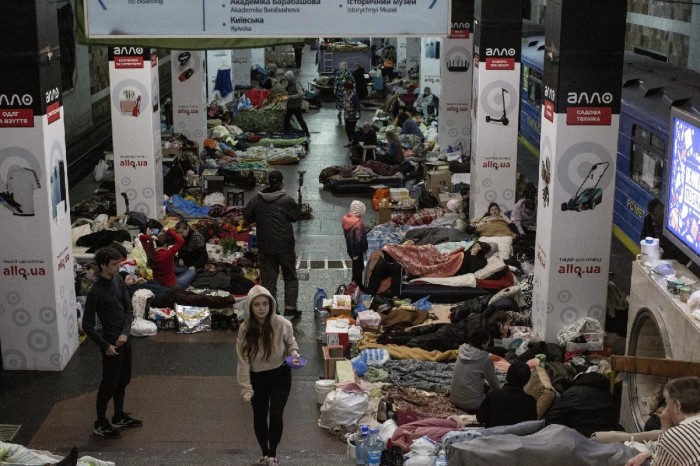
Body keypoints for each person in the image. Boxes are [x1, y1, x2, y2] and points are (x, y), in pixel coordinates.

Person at [236, 285, 300, 466]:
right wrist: (245, 387)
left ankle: (273, 454)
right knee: (259, 415)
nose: (262, 308)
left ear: (271, 304)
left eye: (265, 304)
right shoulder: (245, 328)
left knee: (276, 413)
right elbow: (243, 360)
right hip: (257, 377)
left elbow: (291, 342)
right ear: (250, 307)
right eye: (257, 304)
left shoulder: (282, 323)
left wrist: (294, 354)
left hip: (280, 374)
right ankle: (264, 452)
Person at [83, 247, 142, 438]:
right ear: (103, 266)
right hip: (110, 344)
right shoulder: (95, 292)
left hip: (124, 340)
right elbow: (88, 325)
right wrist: (105, 345)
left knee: (123, 380)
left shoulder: (117, 280)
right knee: (109, 384)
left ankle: (118, 416)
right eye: (115, 264)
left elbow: (128, 309)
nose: (119, 267)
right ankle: (100, 422)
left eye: (119, 263)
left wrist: (125, 333)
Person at [243, 171, 302, 318]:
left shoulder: (257, 199)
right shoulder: (287, 200)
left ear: (268, 182)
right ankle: (290, 308)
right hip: (285, 246)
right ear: (282, 182)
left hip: (265, 246)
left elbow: (246, 216)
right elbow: (296, 216)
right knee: (290, 276)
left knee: (269, 279)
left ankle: (272, 310)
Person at [626, 376, 700, 466]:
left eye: (668, 404)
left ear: (677, 405)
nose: (666, 409)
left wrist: (666, 429)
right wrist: (651, 454)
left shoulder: (676, 435)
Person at [544, 371, 623, 437]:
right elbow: (613, 421)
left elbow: (552, 417)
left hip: (571, 438)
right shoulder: (609, 398)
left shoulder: (571, 392)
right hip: (600, 440)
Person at [450, 327, 500, 412]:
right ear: (484, 344)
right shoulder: (485, 359)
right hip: (473, 405)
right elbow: (495, 385)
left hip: (454, 399)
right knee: (496, 397)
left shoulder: (462, 350)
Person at [476, 361, 537, 428]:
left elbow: (480, 418)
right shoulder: (531, 402)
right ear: (527, 381)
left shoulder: (494, 395)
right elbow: (531, 426)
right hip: (518, 437)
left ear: (507, 376)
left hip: (493, 436)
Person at [641, 198, 688, 262]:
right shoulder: (648, 220)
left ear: (663, 209)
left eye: (655, 215)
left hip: (669, 256)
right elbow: (643, 236)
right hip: (652, 254)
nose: (653, 217)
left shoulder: (671, 222)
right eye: (651, 215)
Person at [342, 200, 369, 289]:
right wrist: (357, 253)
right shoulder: (358, 224)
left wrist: (353, 253)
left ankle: (354, 283)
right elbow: (358, 240)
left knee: (355, 267)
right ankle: (358, 285)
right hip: (358, 251)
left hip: (350, 248)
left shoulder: (346, 219)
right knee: (359, 268)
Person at [282, 70, 310, 138]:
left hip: (295, 105)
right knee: (286, 119)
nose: (286, 79)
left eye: (287, 78)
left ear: (290, 77)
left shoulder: (296, 83)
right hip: (291, 105)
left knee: (299, 119)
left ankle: (306, 133)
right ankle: (287, 132)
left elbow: (301, 94)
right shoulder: (290, 83)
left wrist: (290, 97)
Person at [342, 80, 361, 147]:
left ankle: (355, 142)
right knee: (347, 129)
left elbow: (357, 105)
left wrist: (357, 113)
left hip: (352, 115)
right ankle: (350, 141)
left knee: (351, 129)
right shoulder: (345, 93)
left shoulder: (354, 95)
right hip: (346, 114)